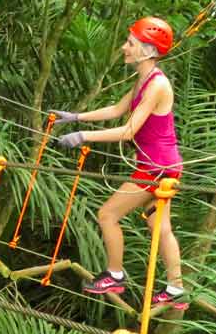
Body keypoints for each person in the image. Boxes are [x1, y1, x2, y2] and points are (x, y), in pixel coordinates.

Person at [50, 16, 187, 310]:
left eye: (131, 43)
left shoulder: (158, 85)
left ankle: (114, 275)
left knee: (107, 215)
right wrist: (76, 117)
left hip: (156, 167)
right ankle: (176, 288)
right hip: (162, 164)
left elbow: (128, 130)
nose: (125, 48)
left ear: (148, 51)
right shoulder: (145, 79)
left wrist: (82, 136)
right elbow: (117, 109)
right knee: (160, 228)